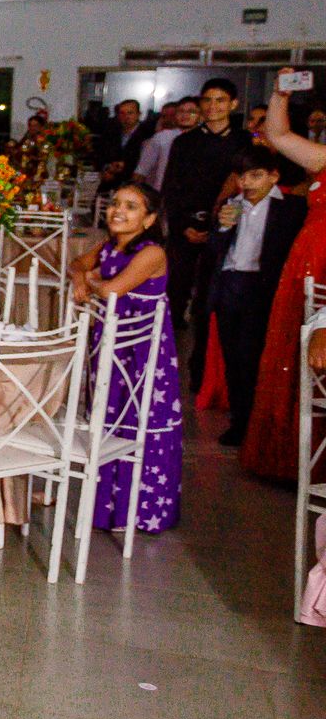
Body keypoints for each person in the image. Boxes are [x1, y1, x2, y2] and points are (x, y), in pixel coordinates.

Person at [69, 181, 182, 533]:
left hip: (143, 352)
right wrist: (81, 279)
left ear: (149, 219)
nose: (118, 210)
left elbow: (112, 289)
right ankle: (108, 509)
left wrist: (91, 281)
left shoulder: (151, 253)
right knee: (110, 416)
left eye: (132, 206)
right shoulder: (110, 246)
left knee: (139, 419)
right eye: (116, 203)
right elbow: (77, 264)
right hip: (112, 346)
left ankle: (139, 510)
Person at [241, 70, 326, 480]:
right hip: (306, 262)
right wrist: (278, 93)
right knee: (294, 352)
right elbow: (276, 136)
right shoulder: (324, 158)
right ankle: (291, 457)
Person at [209, 143, 304, 446]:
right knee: (233, 357)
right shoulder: (232, 204)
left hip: (262, 289)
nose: (247, 183)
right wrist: (222, 229)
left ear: (273, 177)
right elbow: (213, 251)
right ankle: (240, 420)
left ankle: (257, 423)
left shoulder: (289, 208)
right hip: (229, 284)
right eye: (242, 176)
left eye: (256, 176)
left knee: (253, 357)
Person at [162, 77, 249, 337]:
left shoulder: (244, 142)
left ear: (232, 104)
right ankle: (170, 339)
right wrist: (184, 225)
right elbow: (171, 187)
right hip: (185, 226)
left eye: (220, 100)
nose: (213, 106)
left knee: (214, 288)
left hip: (228, 226)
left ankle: (206, 341)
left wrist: (219, 226)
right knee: (176, 285)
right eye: (207, 100)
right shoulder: (185, 142)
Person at [136, 96, 197, 191]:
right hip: (161, 194)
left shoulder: (207, 140)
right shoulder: (162, 137)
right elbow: (141, 171)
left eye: (191, 112)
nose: (185, 115)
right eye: (181, 111)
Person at [95, 98, 151, 186]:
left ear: (138, 114)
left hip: (133, 186)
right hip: (109, 184)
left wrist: (125, 167)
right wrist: (105, 168)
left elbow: (146, 163)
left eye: (130, 113)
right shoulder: (111, 132)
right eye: (122, 113)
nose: (126, 117)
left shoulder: (147, 135)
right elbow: (100, 155)